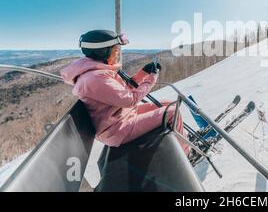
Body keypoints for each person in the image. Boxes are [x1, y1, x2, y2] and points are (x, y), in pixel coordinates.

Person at [60, 30, 190, 155]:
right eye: (115, 50)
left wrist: (143, 73)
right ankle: (187, 153)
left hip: (122, 117)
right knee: (172, 112)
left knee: (167, 104)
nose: (117, 54)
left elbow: (121, 91)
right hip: (117, 129)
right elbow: (130, 99)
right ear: (102, 52)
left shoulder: (96, 71)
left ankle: (179, 141)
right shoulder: (95, 78)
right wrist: (151, 79)